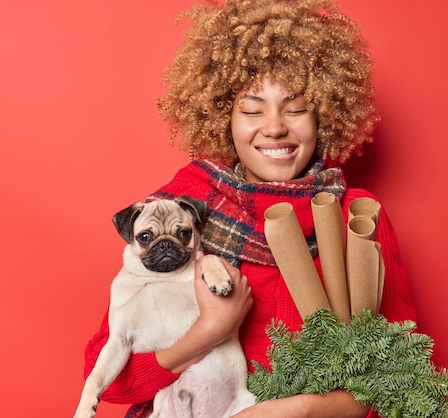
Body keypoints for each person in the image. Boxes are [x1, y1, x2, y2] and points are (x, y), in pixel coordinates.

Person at [82, 1, 417, 417]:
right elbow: (111, 383)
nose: (275, 126)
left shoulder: (359, 218)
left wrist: (307, 410)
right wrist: (209, 332)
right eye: (252, 109)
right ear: (222, 115)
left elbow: (403, 371)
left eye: (296, 109)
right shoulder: (182, 206)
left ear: (326, 115)